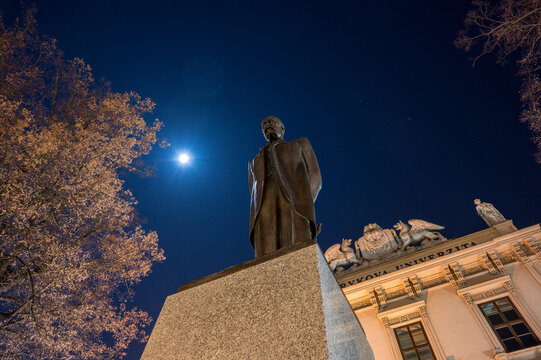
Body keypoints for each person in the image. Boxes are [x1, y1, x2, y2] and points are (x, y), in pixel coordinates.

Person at [249, 116, 322, 257]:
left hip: (294, 200)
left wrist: (304, 202)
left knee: (295, 245)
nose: (267, 125)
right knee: (266, 252)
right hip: (264, 204)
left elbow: (315, 177)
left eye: (271, 122)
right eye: (264, 125)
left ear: (282, 128)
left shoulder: (300, 144)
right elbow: (252, 190)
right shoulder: (254, 162)